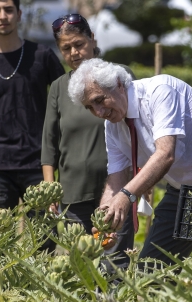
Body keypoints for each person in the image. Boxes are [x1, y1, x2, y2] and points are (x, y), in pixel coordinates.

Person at [68, 58, 192, 268]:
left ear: (117, 84)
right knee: (151, 271)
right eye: (90, 107)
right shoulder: (113, 127)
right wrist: (105, 217)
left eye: (100, 100)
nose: (99, 112)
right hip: (181, 184)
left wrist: (126, 197)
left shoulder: (160, 90)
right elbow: (116, 178)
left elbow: (165, 154)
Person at [41, 14, 135, 268]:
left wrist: (140, 179)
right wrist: (50, 191)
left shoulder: (120, 76)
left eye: (79, 44)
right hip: (74, 193)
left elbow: (138, 130)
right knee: (82, 264)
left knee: (116, 261)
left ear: (92, 39)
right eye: (66, 48)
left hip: (118, 189)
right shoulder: (60, 87)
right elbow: (49, 144)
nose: (74, 52)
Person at [0, 0, 65, 219]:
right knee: (1, 240)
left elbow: (66, 105)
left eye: (9, 10)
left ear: (19, 14)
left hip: (39, 163)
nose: (3, 16)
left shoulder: (42, 56)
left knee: (43, 240)